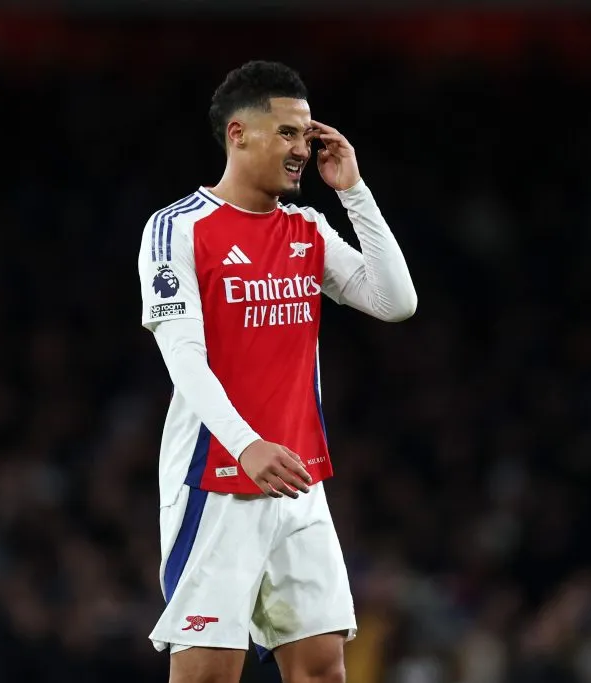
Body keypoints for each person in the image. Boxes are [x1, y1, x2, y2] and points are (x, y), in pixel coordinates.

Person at [136, 60, 417, 683]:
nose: (302, 149)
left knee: (322, 668)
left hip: (297, 477)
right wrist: (247, 445)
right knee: (210, 674)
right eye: (288, 133)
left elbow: (396, 302)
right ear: (239, 134)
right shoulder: (177, 229)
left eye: (306, 134)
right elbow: (185, 358)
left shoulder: (306, 227)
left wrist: (354, 191)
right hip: (217, 477)